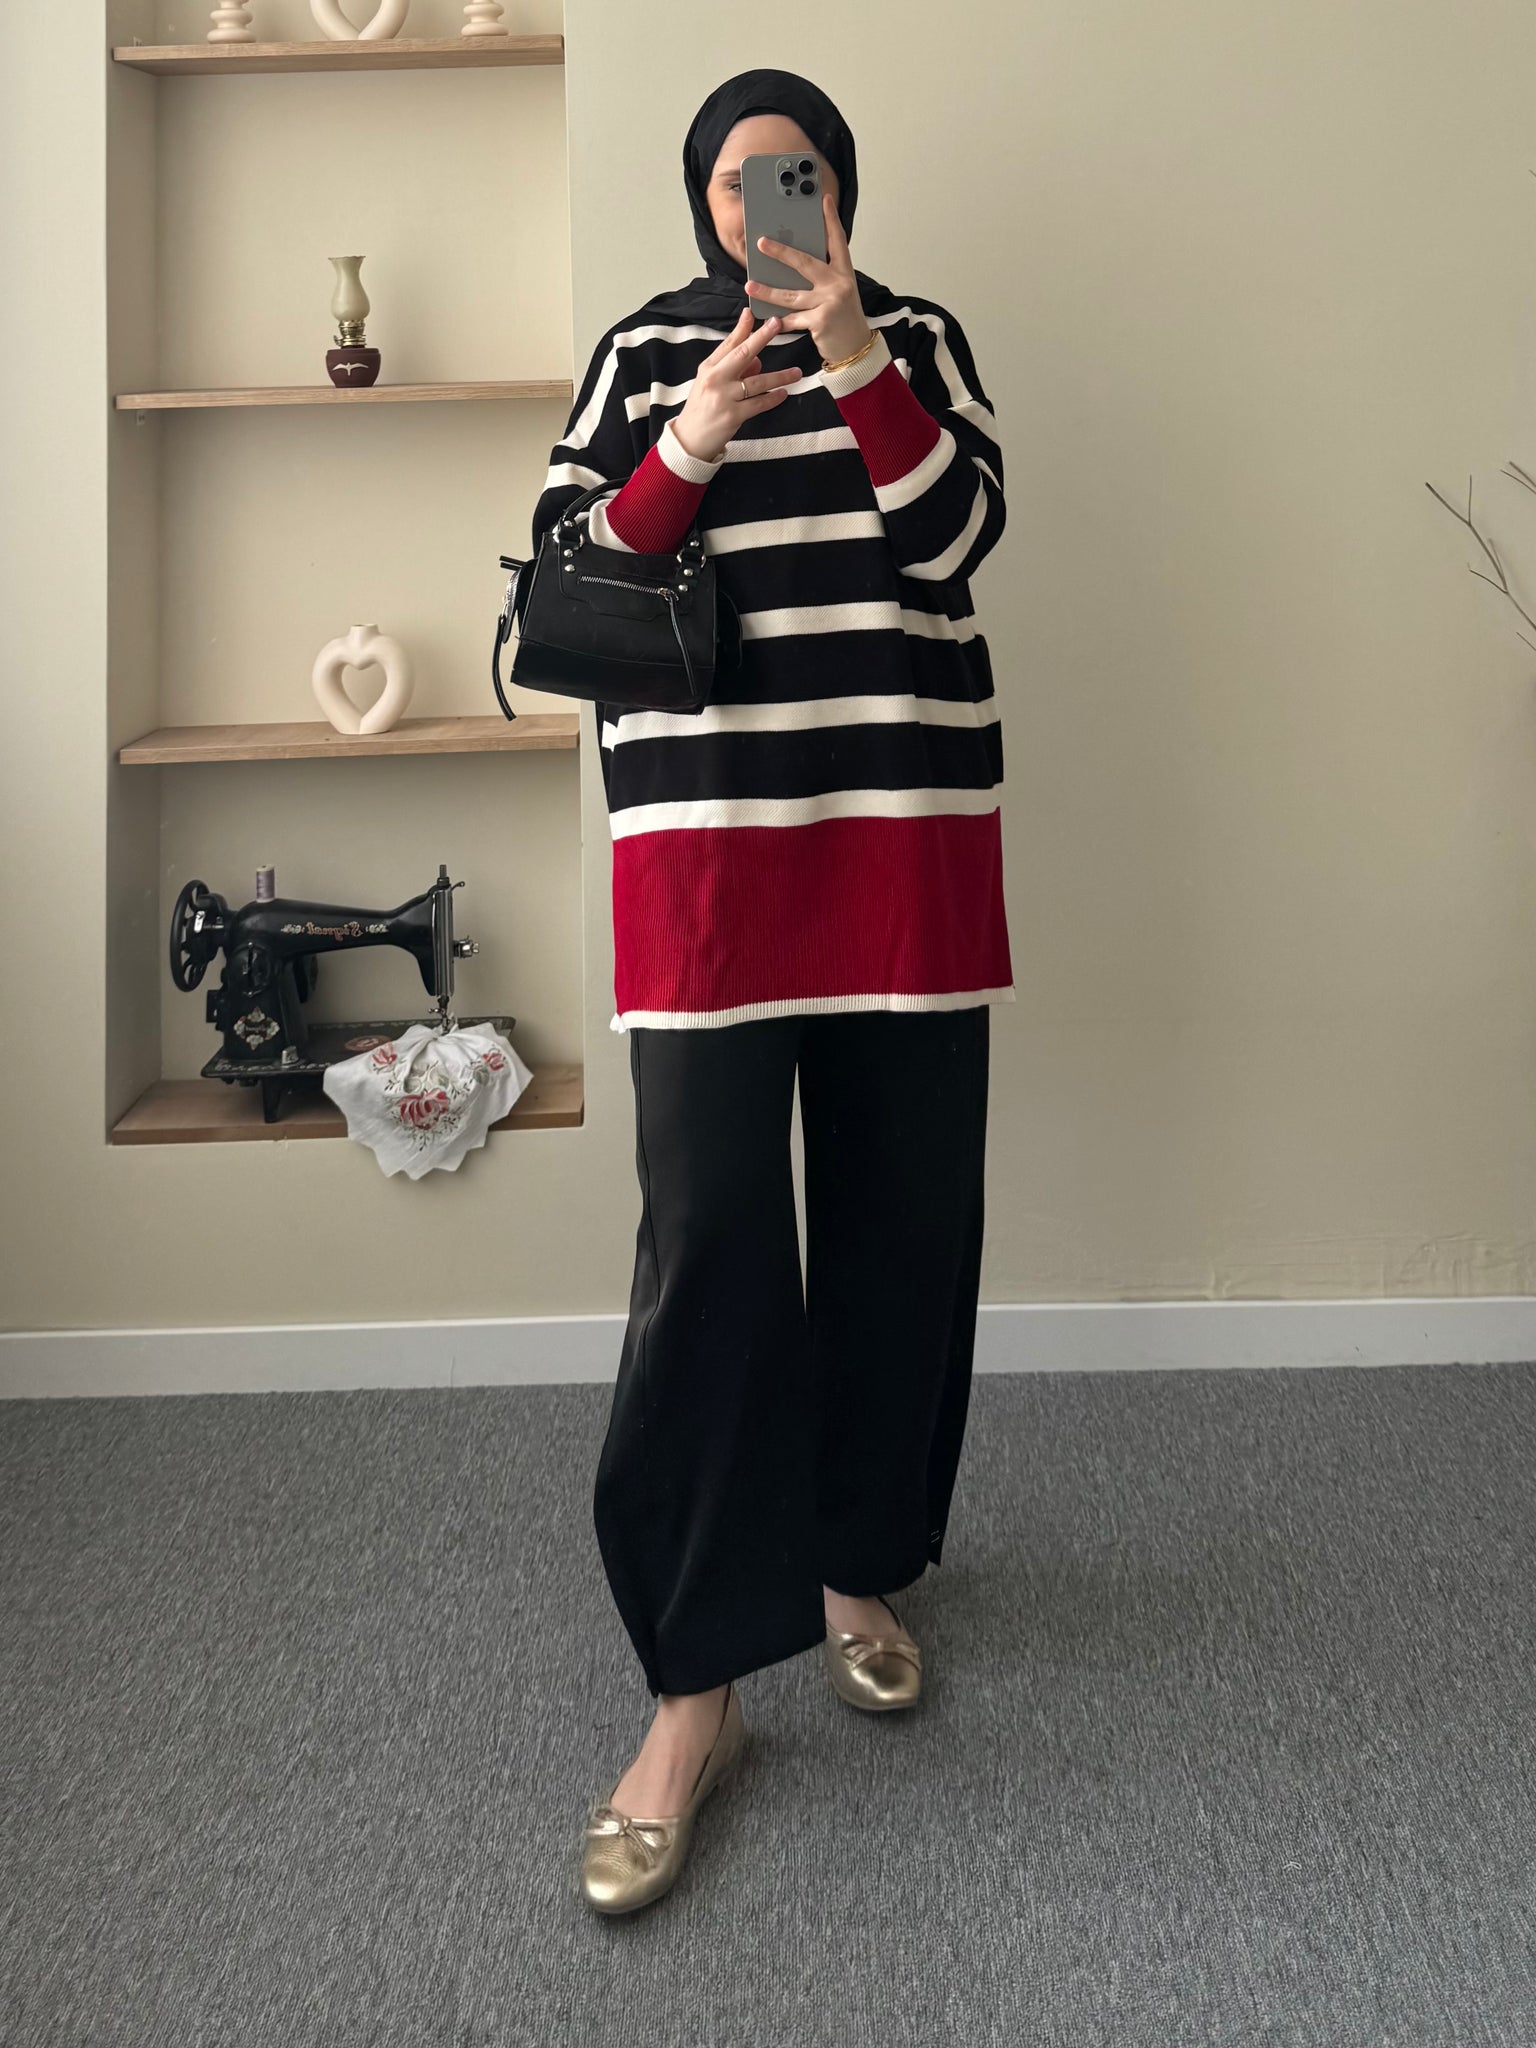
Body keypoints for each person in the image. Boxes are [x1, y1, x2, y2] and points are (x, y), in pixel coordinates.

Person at [529, 67, 1013, 1916]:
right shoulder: (644, 354)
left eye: (792, 174)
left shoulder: (921, 340)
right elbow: (572, 584)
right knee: (713, 1245)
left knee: (903, 1222)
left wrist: (859, 357)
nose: (762, 205)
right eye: (735, 182)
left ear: (838, 188)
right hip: (709, 867)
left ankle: (853, 1563)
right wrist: (693, 438)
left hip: (901, 848)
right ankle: (695, 1690)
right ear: (699, 203)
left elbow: (954, 539)